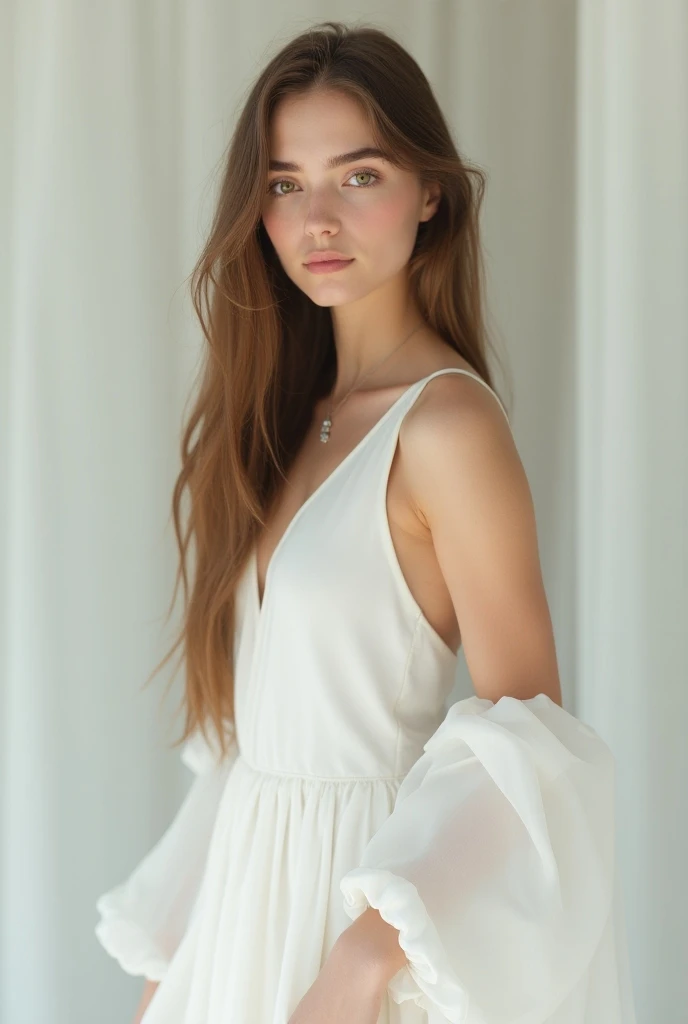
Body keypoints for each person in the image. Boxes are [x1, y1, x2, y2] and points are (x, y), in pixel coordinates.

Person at [95, 20, 636, 1024]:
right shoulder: (292, 420)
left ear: (429, 192)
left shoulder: (445, 425)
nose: (318, 220)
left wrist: (361, 960)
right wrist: (174, 959)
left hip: (356, 919)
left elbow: (530, 733)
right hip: (243, 927)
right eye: (285, 183)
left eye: (359, 175)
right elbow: (257, 748)